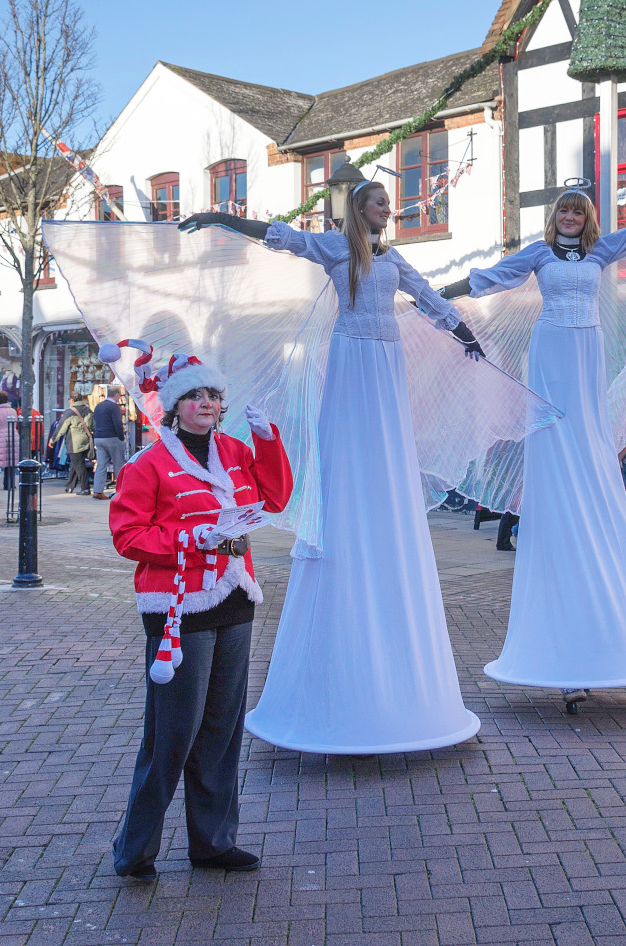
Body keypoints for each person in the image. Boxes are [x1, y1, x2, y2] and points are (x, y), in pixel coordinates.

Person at [180, 170, 489, 753]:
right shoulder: (333, 247)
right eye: (377, 204)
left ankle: (381, 495)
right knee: (347, 445)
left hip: (387, 361)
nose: (385, 212)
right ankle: (351, 493)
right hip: (351, 358)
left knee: (388, 444)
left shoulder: (394, 259)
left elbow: (427, 298)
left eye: (387, 205)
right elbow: (277, 236)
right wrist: (222, 220)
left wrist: (462, 332)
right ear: (357, 209)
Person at [440, 184, 626, 698]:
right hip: (552, 346)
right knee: (554, 425)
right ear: (554, 217)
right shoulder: (540, 255)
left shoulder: (600, 253)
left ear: (586, 220)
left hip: (586, 346)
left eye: (577, 211)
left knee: (586, 424)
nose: (568, 217)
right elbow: (494, 277)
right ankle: (561, 453)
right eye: (562, 210)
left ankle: (586, 452)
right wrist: (444, 295)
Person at [106, 348, 293, 880]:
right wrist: (189, 538)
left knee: (221, 729)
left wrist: (267, 439)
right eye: (195, 395)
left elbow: (275, 498)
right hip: (177, 609)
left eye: (213, 394)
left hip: (234, 599)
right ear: (173, 406)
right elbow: (127, 534)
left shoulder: (234, 450)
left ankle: (212, 842)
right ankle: (135, 848)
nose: (207, 403)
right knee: (173, 733)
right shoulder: (149, 464)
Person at [53, 394, 93, 495]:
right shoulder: (88, 410)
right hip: (86, 441)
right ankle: (70, 486)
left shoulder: (69, 412)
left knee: (79, 465)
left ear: (71, 400)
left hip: (74, 442)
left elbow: (61, 428)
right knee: (76, 464)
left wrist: (52, 440)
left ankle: (85, 488)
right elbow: (93, 426)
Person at [92, 385, 127, 499]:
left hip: (99, 438)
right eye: (119, 396)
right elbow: (117, 423)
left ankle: (97, 491)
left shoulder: (99, 406)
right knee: (118, 464)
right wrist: (121, 438)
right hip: (111, 437)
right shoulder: (114, 407)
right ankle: (121, 491)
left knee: (101, 465)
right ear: (116, 395)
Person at [0, 390, 21, 490]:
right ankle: (9, 484)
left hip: (0, 437)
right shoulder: (13, 411)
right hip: (13, 436)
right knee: (10, 461)